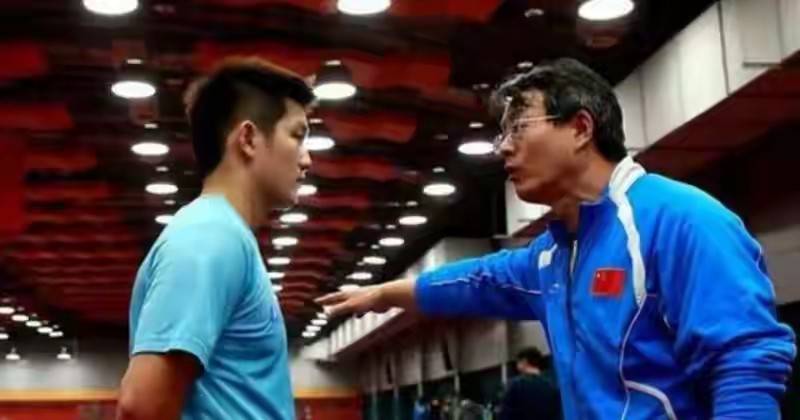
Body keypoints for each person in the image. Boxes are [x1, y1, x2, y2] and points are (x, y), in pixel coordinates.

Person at [317, 58, 797, 419]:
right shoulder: (552, 256)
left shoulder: (680, 220)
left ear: (581, 128)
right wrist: (383, 294)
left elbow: (745, 362)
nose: (504, 147)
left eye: (518, 128)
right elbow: (477, 280)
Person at [117, 57, 314, 420]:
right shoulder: (210, 237)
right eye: (297, 135)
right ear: (248, 139)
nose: (307, 159)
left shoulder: (224, 236)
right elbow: (142, 407)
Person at [500, 347, 561, 420]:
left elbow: (505, 414)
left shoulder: (516, 385)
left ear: (524, 361)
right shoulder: (552, 387)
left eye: (518, 362)